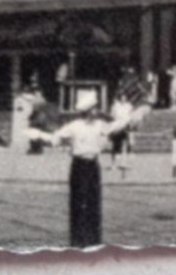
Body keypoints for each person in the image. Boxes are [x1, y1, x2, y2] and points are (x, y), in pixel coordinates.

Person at [38, 97, 131, 249]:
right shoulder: (74, 126)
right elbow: (56, 137)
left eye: (96, 108)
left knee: (94, 201)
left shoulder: (99, 125)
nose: (96, 112)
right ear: (87, 112)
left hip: (93, 165)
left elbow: (114, 126)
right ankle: (78, 240)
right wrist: (53, 138)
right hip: (79, 165)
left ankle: (94, 239)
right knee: (78, 202)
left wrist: (128, 117)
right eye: (93, 109)